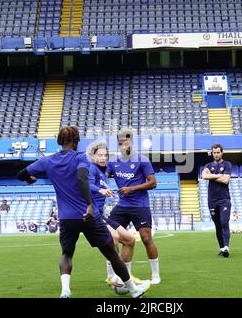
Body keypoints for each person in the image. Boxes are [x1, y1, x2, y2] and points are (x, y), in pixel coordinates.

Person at [16, 126, 150, 298]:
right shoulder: (81, 157)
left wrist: (30, 179)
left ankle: (65, 290)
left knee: (67, 253)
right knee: (111, 252)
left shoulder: (47, 161)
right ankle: (133, 290)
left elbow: (21, 174)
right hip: (87, 215)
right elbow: (81, 178)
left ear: (59, 141)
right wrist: (89, 204)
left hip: (65, 218)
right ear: (77, 140)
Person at [106, 127, 161, 285]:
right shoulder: (113, 161)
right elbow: (102, 176)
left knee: (146, 238)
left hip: (140, 205)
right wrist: (103, 187)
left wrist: (131, 189)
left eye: (126, 142)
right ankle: (117, 275)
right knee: (111, 238)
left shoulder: (142, 160)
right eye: (121, 143)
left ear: (131, 142)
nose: (124, 145)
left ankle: (156, 274)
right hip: (122, 205)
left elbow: (153, 183)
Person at [87, 141, 141, 286]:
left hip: (102, 215)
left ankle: (126, 274)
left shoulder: (104, 171)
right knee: (114, 238)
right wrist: (101, 190)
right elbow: (87, 184)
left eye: (105, 155)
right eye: (100, 155)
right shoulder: (92, 169)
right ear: (93, 157)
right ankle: (113, 277)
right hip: (93, 215)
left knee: (130, 239)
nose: (103, 158)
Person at [201, 144, 232, 258]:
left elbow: (225, 180)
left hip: (224, 199)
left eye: (218, 152)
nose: (216, 154)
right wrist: (219, 175)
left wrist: (212, 175)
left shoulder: (227, 164)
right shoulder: (208, 165)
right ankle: (222, 248)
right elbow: (204, 176)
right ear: (212, 153)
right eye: (214, 152)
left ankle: (227, 248)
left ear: (222, 153)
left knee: (224, 222)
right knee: (217, 225)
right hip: (212, 200)